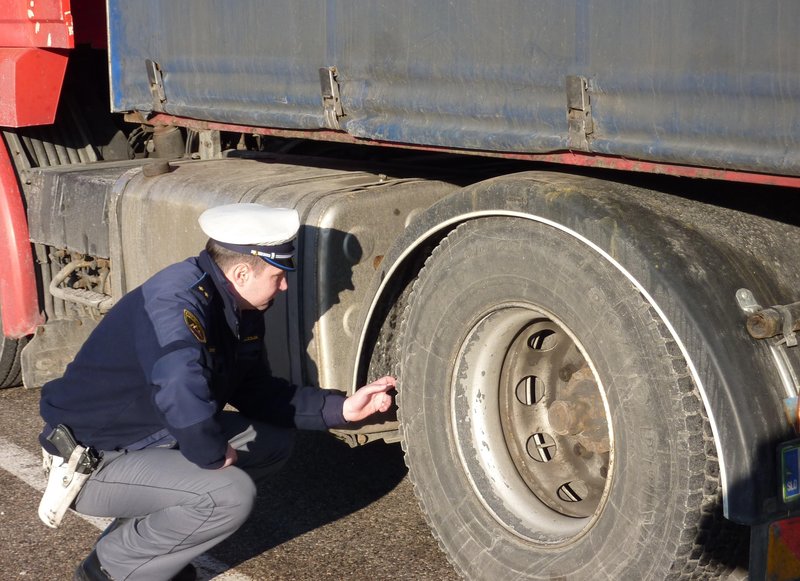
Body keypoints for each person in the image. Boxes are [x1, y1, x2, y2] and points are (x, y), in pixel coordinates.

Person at [37, 203, 396, 581]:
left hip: (148, 438)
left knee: (271, 442)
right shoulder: (177, 302)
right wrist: (209, 453)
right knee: (227, 493)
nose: (285, 285)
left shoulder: (236, 305)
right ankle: (108, 569)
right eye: (279, 275)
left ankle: (142, 547)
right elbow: (177, 383)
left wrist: (341, 409)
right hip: (94, 457)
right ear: (242, 272)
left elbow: (256, 390)